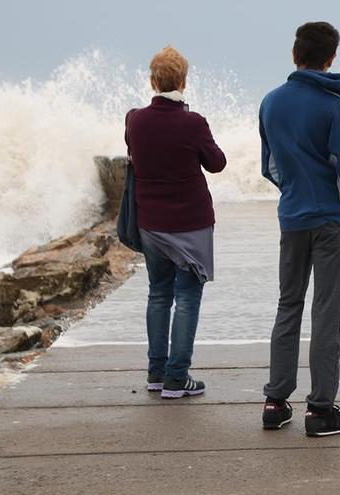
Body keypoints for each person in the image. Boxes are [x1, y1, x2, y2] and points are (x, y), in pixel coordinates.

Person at [258, 21, 340, 436]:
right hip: (330, 221)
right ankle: (320, 410)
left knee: (289, 304)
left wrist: (293, 192)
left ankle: (275, 401)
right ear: (331, 58)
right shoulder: (334, 102)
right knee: (327, 312)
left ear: (294, 54)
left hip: (293, 217)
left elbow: (269, 166)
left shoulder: (271, 102)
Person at [125, 46, 227, 399]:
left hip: (151, 224)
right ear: (184, 81)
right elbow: (217, 163)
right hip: (191, 224)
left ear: (152, 81)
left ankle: (156, 372)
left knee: (158, 295)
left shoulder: (135, 120)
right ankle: (177, 377)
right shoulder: (193, 123)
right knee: (187, 298)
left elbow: (135, 155)